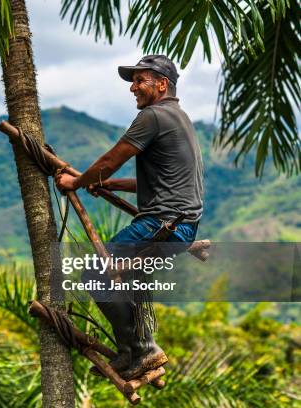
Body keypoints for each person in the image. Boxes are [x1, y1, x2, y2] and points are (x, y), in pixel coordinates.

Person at [55, 55, 204, 380]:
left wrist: (76, 182)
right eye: (133, 81)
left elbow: (111, 159)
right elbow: (156, 181)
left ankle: (138, 349)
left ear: (162, 85)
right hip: (181, 226)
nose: (133, 88)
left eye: (140, 81)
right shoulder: (179, 117)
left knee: (95, 273)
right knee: (131, 280)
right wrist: (108, 185)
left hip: (161, 225)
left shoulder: (153, 116)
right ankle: (137, 351)